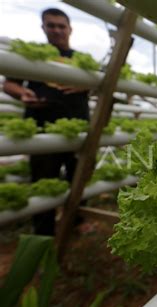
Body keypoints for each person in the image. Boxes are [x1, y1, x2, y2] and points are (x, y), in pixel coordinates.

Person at [3, 8, 89, 235]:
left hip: (78, 126)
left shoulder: (81, 61)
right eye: (51, 25)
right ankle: (44, 235)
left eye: (61, 26)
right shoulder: (33, 58)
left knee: (79, 177)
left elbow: (100, 85)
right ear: (43, 28)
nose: (57, 30)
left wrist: (85, 83)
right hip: (42, 127)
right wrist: (23, 93)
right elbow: (9, 83)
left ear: (70, 29)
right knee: (43, 180)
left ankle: (75, 224)